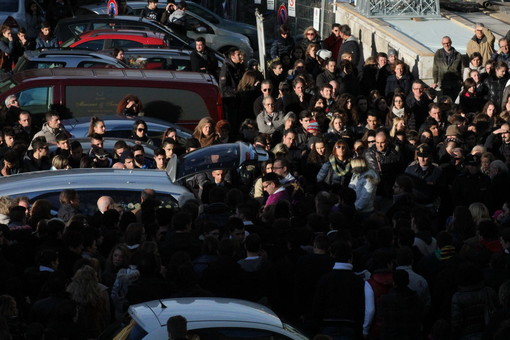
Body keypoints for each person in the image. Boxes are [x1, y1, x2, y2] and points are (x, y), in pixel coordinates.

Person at [312, 241, 375, 339]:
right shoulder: (358, 281)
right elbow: (363, 308)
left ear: (333, 256)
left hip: (327, 325)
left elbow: (318, 305)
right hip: (350, 326)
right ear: (350, 259)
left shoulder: (325, 279)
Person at [219, 47, 245, 130]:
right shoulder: (226, 68)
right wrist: (236, 91)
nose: (240, 56)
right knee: (232, 124)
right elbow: (223, 86)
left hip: (238, 100)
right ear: (232, 56)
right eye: (238, 55)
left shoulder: (239, 67)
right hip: (230, 101)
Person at [432, 36, 462, 100]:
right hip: (443, 83)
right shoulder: (438, 53)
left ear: (451, 43)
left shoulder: (457, 55)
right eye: (444, 43)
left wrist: (462, 82)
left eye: (448, 43)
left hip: (454, 84)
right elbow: (435, 68)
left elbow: (462, 69)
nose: (446, 45)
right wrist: (435, 81)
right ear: (442, 44)